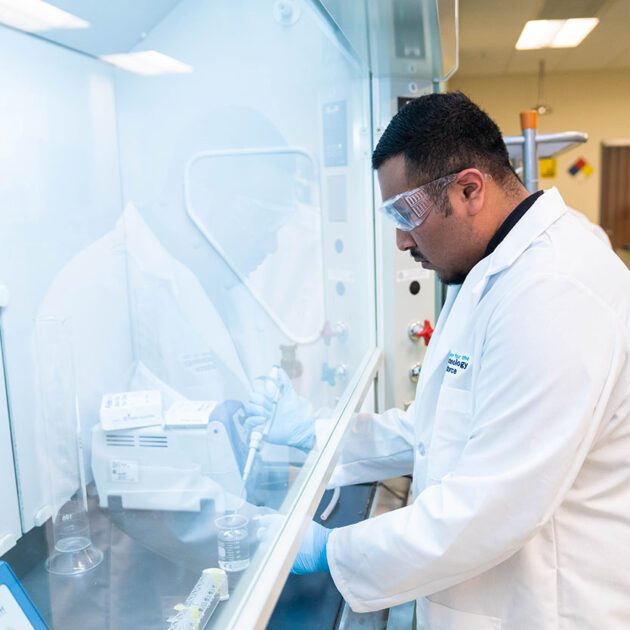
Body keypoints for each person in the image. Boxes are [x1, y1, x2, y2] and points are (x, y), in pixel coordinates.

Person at [249, 92, 630, 628]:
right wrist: (314, 435)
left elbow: (491, 510)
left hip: (548, 607)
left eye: (406, 213)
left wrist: (327, 550)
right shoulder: (483, 273)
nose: (401, 239)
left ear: (469, 188)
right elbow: (431, 431)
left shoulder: (554, 292)